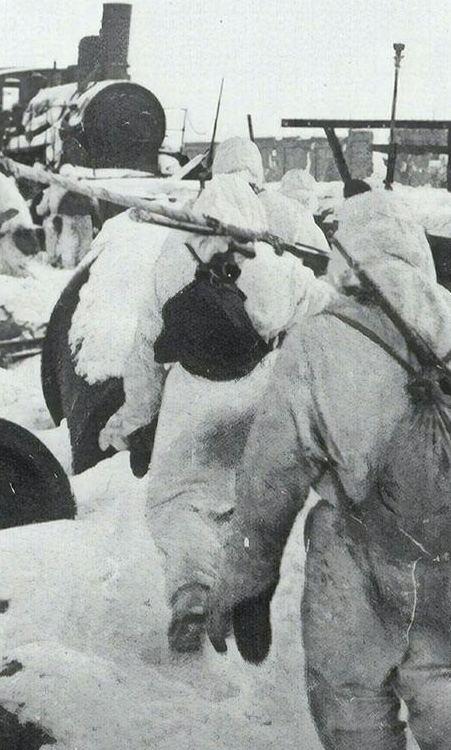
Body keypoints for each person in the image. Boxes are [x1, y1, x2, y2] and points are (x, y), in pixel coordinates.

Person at [208, 192, 451, 750]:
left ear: (345, 255)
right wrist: (447, 484)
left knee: (352, 698)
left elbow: (271, 477)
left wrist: (247, 583)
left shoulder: (318, 340)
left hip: (355, 553)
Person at [99, 137, 331, 652]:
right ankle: (244, 589)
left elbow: (145, 346)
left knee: (177, 501)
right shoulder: (270, 258)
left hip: (191, 395)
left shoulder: (173, 253)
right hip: (256, 396)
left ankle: (192, 591)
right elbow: (324, 309)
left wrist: (138, 418)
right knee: (245, 503)